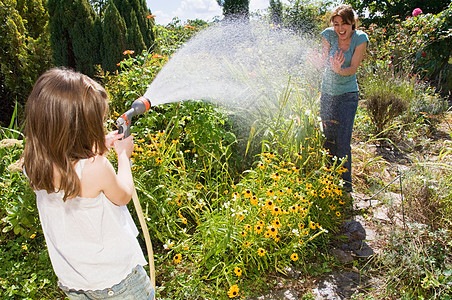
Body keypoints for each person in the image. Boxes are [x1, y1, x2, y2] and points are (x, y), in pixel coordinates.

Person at [23, 67, 155, 299]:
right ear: (80, 127)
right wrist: (123, 155)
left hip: (76, 281)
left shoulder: (33, 163)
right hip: (118, 282)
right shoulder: (96, 167)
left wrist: (98, 146)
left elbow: (68, 159)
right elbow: (123, 195)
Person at [318, 4, 368, 193]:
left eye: (344, 24)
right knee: (328, 139)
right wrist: (316, 63)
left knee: (342, 139)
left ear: (352, 23)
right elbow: (322, 62)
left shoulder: (360, 38)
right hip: (328, 93)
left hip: (348, 95)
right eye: (336, 24)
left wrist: (340, 70)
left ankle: (345, 186)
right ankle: (329, 180)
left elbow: (353, 68)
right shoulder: (328, 35)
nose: (340, 29)